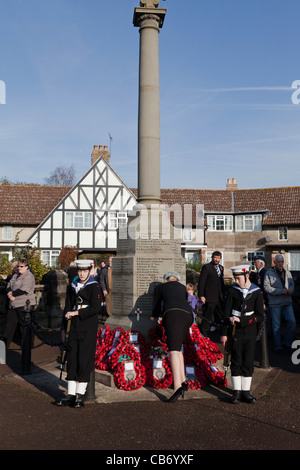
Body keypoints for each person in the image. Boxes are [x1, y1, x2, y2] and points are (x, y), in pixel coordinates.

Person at [56, 259, 103, 408]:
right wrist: (63, 329)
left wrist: (76, 312)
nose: (82, 273)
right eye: (79, 271)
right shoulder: (73, 286)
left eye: (84, 271)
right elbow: (67, 308)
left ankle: (79, 396)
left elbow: (95, 308)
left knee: (84, 359)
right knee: (72, 358)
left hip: (87, 327)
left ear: (89, 271)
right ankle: (70, 395)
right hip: (74, 327)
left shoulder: (95, 286)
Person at [220, 264, 264, 404]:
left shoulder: (257, 291)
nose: (236, 281)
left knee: (248, 360)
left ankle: (246, 392)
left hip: (249, 330)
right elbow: (225, 313)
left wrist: (243, 320)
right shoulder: (233, 291)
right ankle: (236, 392)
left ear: (247, 275)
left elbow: (259, 315)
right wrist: (224, 333)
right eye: (235, 278)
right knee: (236, 360)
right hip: (235, 331)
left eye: (238, 278)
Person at [152, 271, 193, 403]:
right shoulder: (182, 287)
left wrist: (155, 319)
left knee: (173, 350)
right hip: (188, 315)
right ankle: (183, 380)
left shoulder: (160, 287)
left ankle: (177, 387)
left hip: (173, 314)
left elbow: (157, 306)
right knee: (178, 347)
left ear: (165, 279)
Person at [263, 254, 296, 353]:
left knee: (292, 322)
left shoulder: (287, 272)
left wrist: (291, 290)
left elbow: (292, 284)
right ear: (275, 262)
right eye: (279, 262)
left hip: (287, 301)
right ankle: (278, 346)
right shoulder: (269, 272)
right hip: (275, 303)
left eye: (282, 262)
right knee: (276, 326)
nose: (281, 263)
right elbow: (266, 287)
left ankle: (287, 343)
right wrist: (280, 291)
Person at [1, 258, 36, 347]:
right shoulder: (16, 274)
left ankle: (28, 344)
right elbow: (9, 284)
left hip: (24, 304)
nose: (19, 268)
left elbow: (24, 289)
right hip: (13, 303)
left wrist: (11, 294)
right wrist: (9, 293)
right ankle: (4, 344)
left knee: (25, 324)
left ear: (27, 267)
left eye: (21, 266)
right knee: (10, 323)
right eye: (18, 266)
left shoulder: (29, 276)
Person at [197, 251, 225, 337]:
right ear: (212, 258)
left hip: (219, 296)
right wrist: (201, 295)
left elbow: (221, 282)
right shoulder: (206, 267)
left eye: (218, 258)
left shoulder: (221, 268)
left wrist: (224, 293)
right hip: (209, 296)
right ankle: (204, 333)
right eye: (215, 257)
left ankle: (220, 331)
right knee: (208, 315)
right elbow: (201, 282)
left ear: (220, 258)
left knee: (220, 315)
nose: (216, 259)